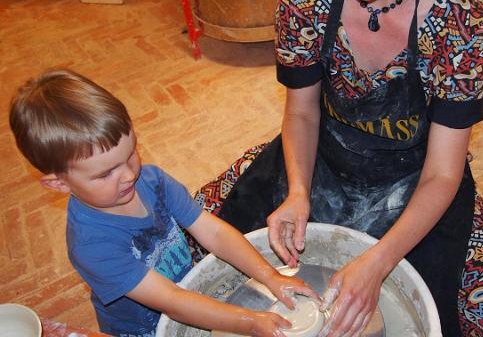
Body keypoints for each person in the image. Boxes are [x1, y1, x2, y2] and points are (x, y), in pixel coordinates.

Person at [207, 0, 483, 336]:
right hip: (323, 157)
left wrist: (379, 263)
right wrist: (298, 193)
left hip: (417, 177)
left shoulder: (464, 21)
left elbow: (443, 174)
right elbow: (302, 114)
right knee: (194, 234)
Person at [8, 69, 319, 337]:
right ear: (59, 183)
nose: (129, 175)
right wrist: (251, 322)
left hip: (184, 288)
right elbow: (171, 301)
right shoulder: (93, 246)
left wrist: (270, 276)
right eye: (106, 173)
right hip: (144, 328)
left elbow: (213, 232)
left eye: (131, 154)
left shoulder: (151, 179)